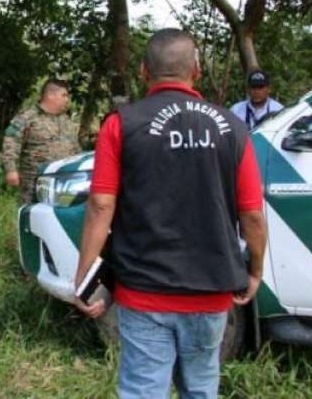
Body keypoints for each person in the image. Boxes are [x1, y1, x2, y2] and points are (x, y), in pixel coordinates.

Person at [73, 29, 267, 399]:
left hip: (143, 291)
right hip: (211, 291)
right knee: (200, 387)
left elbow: (101, 205)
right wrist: (254, 270)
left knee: (143, 390)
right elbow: (252, 215)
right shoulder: (234, 128)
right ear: (195, 69)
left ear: (144, 71)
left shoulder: (120, 125)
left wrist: (84, 272)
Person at [1, 79, 80, 204]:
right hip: (33, 181)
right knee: (31, 215)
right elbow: (11, 142)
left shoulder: (66, 120)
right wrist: (11, 170)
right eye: (64, 95)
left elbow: (75, 148)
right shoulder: (28, 117)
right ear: (50, 95)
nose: (67, 99)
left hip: (63, 181)